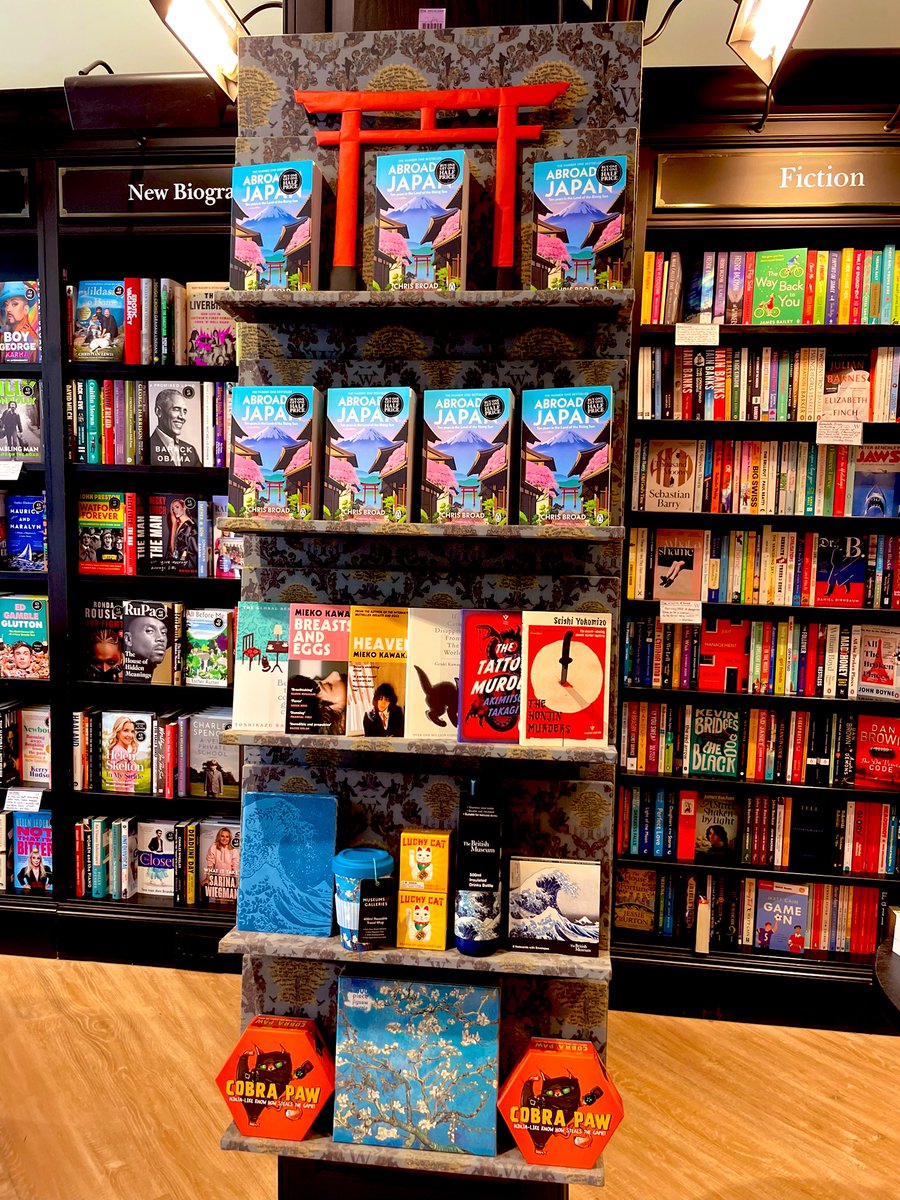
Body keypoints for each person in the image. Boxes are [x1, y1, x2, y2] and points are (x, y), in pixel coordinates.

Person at [150, 388, 200, 466]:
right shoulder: (145, 450)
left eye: (184, 411)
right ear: (158, 412)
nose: (183, 417)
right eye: (176, 409)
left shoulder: (191, 451)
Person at [0, 281, 40, 363]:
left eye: (14, 304)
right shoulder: (3, 338)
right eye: (6, 305)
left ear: (26, 309)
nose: (8, 309)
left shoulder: (33, 341)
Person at [201, 826, 240, 903]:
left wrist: (237, 882)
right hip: (217, 878)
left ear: (230, 838)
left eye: (227, 837)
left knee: (229, 901)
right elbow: (210, 864)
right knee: (219, 901)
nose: (224, 839)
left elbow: (235, 867)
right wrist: (207, 878)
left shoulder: (233, 850)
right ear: (219, 836)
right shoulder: (213, 847)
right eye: (222, 836)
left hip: (229, 879)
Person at [106, 716, 140, 793]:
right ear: (117, 732)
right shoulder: (120, 753)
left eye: (132, 731)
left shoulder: (118, 750)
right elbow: (120, 786)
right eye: (126, 730)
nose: (130, 735)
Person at [168, 498, 198, 569]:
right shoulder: (179, 524)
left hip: (185, 566)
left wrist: (181, 561)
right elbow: (174, 547)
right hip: (178, 563)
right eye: (173, 509)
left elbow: (193, 550)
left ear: (184, 507)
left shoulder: (190, 526)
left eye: (177, 507)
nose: (174, 510)